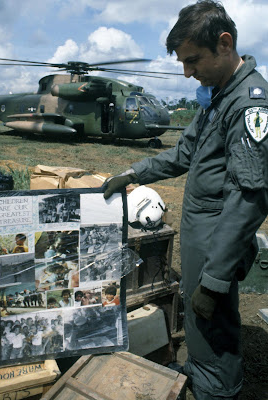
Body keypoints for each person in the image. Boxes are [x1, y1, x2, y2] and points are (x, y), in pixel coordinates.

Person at [103, 1, 268, 399]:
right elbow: (183, 154)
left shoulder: (248, 104)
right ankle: (199, 369)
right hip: (202, 232)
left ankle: (217, 390)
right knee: (196, 316)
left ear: (224, 43)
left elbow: (248, 199)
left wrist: (214, 280)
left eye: (193, 60)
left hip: (218, 239)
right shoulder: (218, 96)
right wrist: (133, 173)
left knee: (210, 314)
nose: (187, 71)